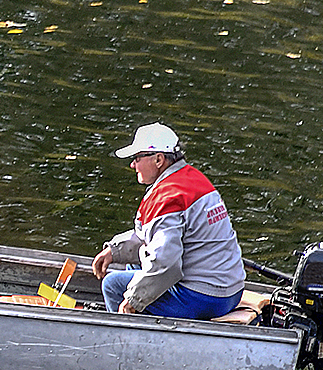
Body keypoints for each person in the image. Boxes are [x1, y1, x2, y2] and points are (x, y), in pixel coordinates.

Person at [90, 123, 245, 320]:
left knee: (112, 285)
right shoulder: (193, 179)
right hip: (230, 290)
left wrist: (134, 300)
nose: (133, 165)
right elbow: (150, 237)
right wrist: (114, 251)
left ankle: (126, 343)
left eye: (137, 158)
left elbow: (166, 264)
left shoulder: (168, 197)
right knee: (132, 266)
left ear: (158, 159)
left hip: (205, 297)